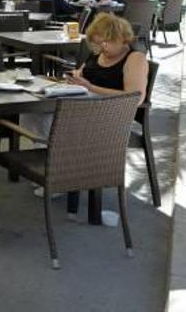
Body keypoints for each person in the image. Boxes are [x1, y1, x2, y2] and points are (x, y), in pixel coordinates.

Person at [63, 13, 149, 215]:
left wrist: (91, 87)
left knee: (58, 123)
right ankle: (62, 174)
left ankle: (63, 177)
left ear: (121, 38)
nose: (102, 48)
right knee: (37, 115)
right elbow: (82, 74)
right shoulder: (97, 55)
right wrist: (77, 78)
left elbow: (135, 97)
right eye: (98, 44)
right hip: (85, 107)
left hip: (113, 116)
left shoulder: (134, 58)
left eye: (106, 43)